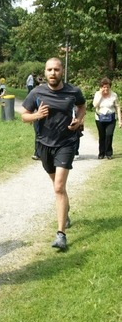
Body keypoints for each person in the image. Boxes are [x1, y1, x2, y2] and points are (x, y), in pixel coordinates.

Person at [21, 57, 86, 249]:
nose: (52, 73)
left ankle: (61, 235)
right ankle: (64, 208)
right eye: (49, 70)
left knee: (58, 187)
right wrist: (37, 116)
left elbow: (82, 106)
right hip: (44, 144)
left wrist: (79, 121)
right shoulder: (37, 92)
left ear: (62, 71)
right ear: (45, 72)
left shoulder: (73, 92)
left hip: (66, 143)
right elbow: (24, 116)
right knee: (58, 185)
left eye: (56, 70)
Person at [93, 77, 122, 159]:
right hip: (99, 118)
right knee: (101, 135)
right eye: (104, 87)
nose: (106, 89)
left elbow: (118, 108)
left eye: (107, 87)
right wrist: (101, 95)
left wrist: (120, 121)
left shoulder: (114, 95)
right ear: (101, 87)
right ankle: (101, 153)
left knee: (109, 134)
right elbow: (95, 105)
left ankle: (108, 153)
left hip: (111, 117)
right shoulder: (97, 94)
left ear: (110, 87)